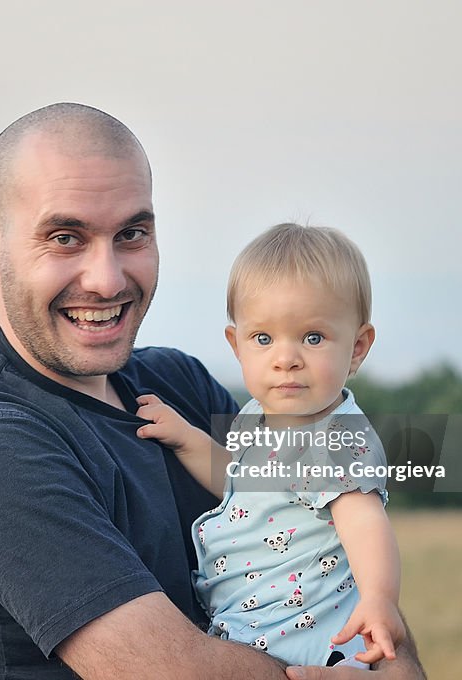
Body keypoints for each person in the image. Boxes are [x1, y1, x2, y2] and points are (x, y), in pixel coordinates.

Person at [0, 102, 426, 679]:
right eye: (65, 237)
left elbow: (326, 573)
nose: (106, 279)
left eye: (131, 233)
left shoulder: (178, 384)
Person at [136, 224, 403, 668]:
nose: (286, 357)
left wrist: (379, 599)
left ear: (357, 347)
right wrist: (186, 438)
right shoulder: (259, 415)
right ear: (237, 345)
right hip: (255, 629)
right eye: (263, 339)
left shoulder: (334, 438)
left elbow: (366, 524)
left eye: (313, 338)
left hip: (309, 639)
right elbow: (240, 484)